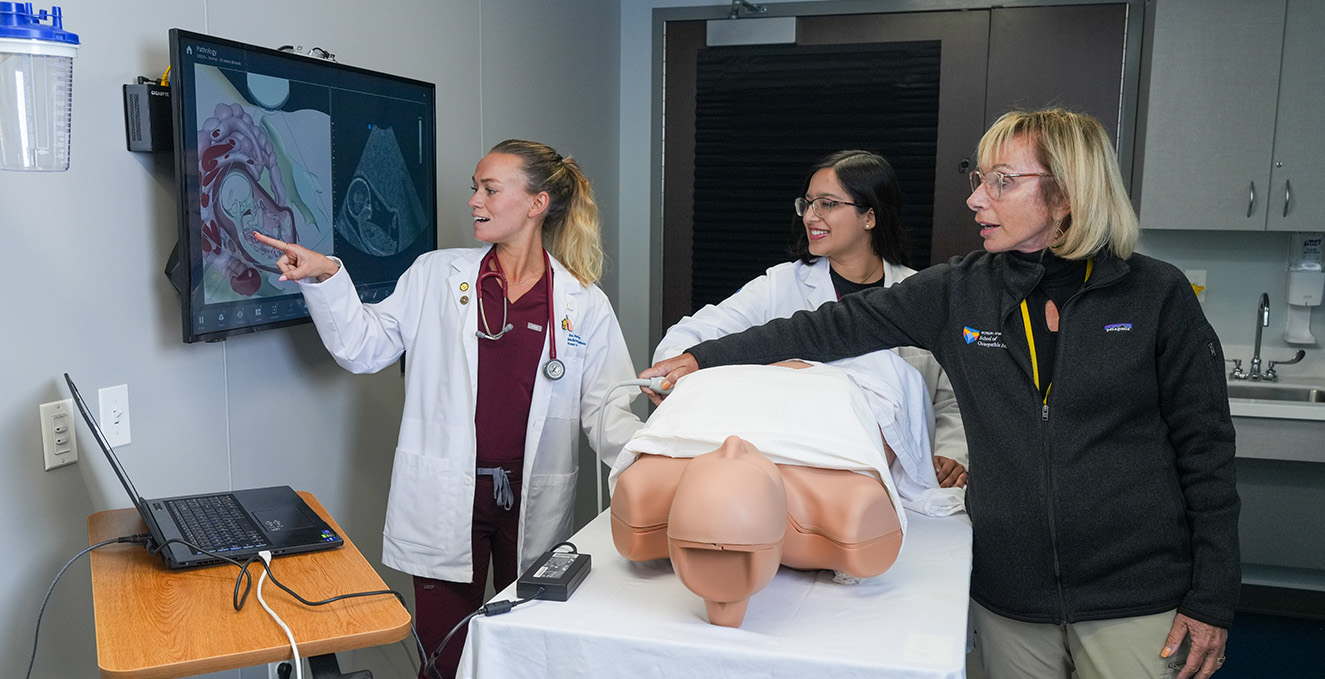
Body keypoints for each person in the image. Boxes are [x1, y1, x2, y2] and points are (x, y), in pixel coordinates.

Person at [643, 109, 1238, 679]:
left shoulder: (1157, 295)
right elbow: (822, 328)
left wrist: (1212, 596)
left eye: (1002, 182)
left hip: (1134, 591)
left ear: (1066, 192)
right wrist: (701, 356)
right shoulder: (959, 291)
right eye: (978, 180)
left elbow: (1205, 450)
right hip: (1010, 591)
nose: (977, 198)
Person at [254, 139, 642, 679]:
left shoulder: (581, 302)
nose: (473, 201)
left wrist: (651, 469)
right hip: (446, 498)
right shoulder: (438, 275)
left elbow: (608, 408)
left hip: (532, 496)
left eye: (489, 189)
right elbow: (364, 347)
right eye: (474, 188)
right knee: (443, 657)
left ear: (536, 204)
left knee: (525, 652)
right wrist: (326, 277)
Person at [651, 150, 967, 487]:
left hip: (898, 478)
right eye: (808, 203)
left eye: (827, 204)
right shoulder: (780, 286)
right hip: (798, 477)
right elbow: (691, 337)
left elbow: (953, 396)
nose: (811, 216)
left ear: (869, 216)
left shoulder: (920, 294)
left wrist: (952, 453)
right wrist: (679, 378)